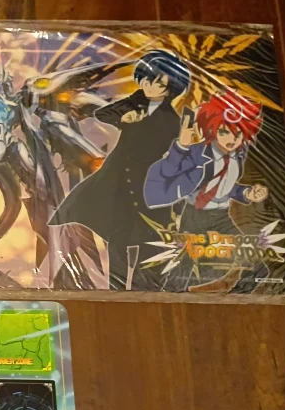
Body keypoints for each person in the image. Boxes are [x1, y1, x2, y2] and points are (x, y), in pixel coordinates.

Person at [49, 50, 190, 290]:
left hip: (148, 184)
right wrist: (123, 118)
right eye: (148, 79)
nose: (150, 85)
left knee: (149, 240)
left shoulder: (171, 119)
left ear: (170, 90)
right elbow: (103, 113)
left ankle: (146, 289)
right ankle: (116, 288)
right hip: (118, 179)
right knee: (117, 237)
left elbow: (171, 153)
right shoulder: (134, 101)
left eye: (159, 83)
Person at [144, 92, 267, 287]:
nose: (232, 139)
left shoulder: (239, 154)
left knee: (256, 264)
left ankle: (238, 297)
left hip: (222, 216)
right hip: (195, 216)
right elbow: (168, 171)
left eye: (238, 134)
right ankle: (169, 295)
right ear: (212, 129)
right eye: (224, 132)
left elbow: (225, 186)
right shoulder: (197, 152)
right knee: (183, 270)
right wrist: (181, 146)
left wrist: (247, 193)